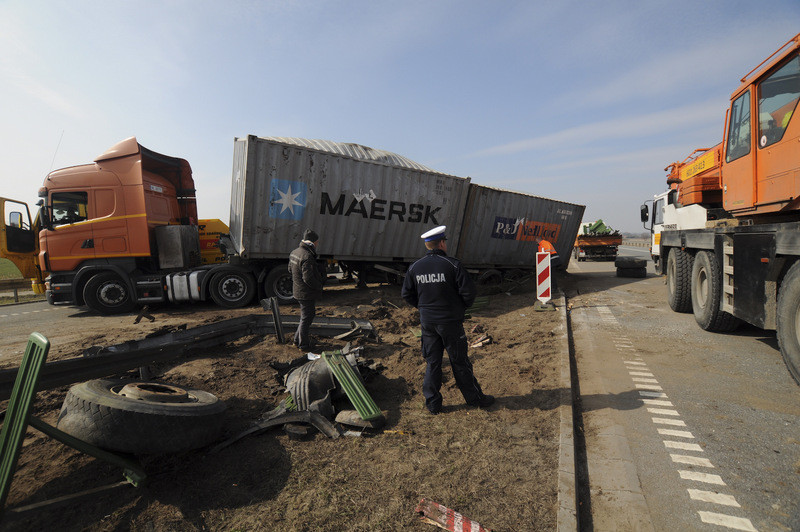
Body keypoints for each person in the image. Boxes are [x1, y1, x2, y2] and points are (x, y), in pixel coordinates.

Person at [401, 225, 494, 415]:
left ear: (427, 245)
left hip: (428, 324)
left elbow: (406, 294)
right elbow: (469, 293)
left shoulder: (415, 267)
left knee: (432, 363)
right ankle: (474, 399)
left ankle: (433, 404)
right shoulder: (452, 265)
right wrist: (459, 308)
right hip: (450, 322)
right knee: (460, 361)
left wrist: (423, 308)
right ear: (442, 243)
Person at [289, 229, 325, 351]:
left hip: (298, 290)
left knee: (305, 316)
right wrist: (319, 286)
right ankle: (303, 345)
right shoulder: (307, 256)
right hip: (305, 293)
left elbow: (290, 269)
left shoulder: (295, 252)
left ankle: (296, 340)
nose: (318, 244)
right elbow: (308, 278)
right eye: (317, 242)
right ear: (313, 242)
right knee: (307, 317)